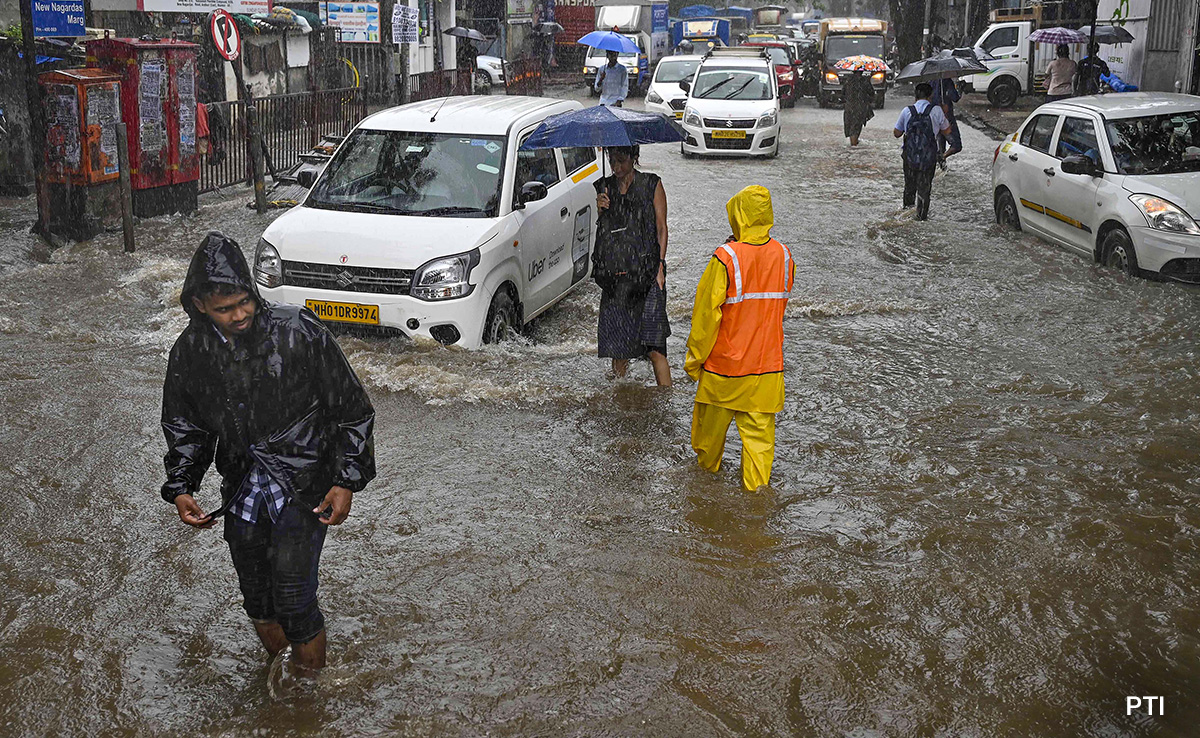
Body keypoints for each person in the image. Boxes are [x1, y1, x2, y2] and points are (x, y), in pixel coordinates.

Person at [160, 232, 376, 675]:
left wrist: (345, 481)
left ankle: (306, 699)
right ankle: (286, 684)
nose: (238, 315)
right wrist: (182, 485)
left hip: (303, 483)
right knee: (258, 599)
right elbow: (186, 424)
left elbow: (351, 409)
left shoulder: (299, 330)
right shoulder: (190, 351)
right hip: (241, 487)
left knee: (295, 600)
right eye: (225, 309)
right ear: (200, 305)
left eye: (245, 302)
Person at [685, 185, 794, 491]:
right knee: (759, 457)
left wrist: (694, 362)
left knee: (706, 454)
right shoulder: (785, 257)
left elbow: (705, 317)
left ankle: (705, 506)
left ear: (737, 214)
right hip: (766, 373)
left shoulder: (725, 257)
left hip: (724, 373)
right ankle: (756, 515)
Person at [594, 145, 671, 386]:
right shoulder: (604, 188)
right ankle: (620, 397)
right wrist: (600, 208)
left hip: (648, 273)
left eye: (622, 161)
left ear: (634, 158)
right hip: (617, 277)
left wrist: (659, 267)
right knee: (619, 349)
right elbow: (604, 233)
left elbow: (661, 227)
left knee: (655, 346)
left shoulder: (652, 184)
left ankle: (666, 403)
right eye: (612, 160)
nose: (616, 167)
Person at [893, 82, 950, 221]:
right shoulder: (936, 110)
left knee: (909, 187)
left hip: (910, 157)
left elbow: (896, 133)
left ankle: (905, 216)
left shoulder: (907, 111)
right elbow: (947, 131)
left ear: (915, 96)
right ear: (931, 95)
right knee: (924, 189)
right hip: (928, 157)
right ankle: (921, 218)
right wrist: (944, 113)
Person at [931, 77, 962, 166]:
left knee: (940, 147)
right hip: (946, 117)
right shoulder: (947, 81)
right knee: (956, 145)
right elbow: (955, 97)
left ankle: (940, 165)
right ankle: (942, 158)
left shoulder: (931, 81)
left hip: (935, 117)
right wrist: (960, 89)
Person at [842, 69, 874, 146]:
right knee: (856, 127)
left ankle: (853, 143)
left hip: (849, 107)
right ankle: (854, 145)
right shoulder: (865, 81)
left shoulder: (848, 80)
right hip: (860, 107)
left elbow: (843, 92)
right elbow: (871, 93)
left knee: (851, 127)